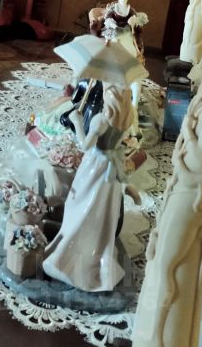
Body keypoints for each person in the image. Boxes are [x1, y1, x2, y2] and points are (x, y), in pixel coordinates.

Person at [43, 84, 134, 292]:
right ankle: (94, 257)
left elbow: (85, 145)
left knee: (78, 209)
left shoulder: (101, 119)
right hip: (110, 171)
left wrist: (76, 121)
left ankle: (66, 259)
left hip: (94, 166)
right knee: (100, 216)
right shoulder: (128, 118)